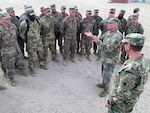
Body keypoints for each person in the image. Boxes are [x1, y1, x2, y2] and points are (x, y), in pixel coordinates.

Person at [105, 33, 150, 113]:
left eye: (125, 44)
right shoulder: (145, 61)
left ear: (128, 46)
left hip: (120, 106)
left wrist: (110, 102)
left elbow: (121, 93)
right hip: (131, 101)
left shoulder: (130, 70)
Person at [84, 18, 122, 97]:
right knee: (103, 72)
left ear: (115, 25)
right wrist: (92, 36)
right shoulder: (108, 32)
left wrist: (98, 42)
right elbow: (101, 39)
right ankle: (104, 84)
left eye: (110, 24)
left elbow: (108, 49)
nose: (107, 25)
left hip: (111, 59)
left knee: (107, 74)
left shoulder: (117, 36)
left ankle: (106, 89)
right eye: (108, 23)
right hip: (105, 57)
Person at [0, 12, 26, 86]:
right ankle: (11, 78)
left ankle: (21, 69)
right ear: (1, 19)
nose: (9, 20)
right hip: (6, 50)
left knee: (20, 59)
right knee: (9, 65)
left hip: (15, 46)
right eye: (6, 19)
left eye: (9, 19)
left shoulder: (13, 26)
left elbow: (16, 35)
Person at [19, 8, 47, 77]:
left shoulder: (37, 20)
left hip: (39, 42)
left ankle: (42, 64)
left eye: (33, 15)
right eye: (31, 15)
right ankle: (31, 69)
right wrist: (28, 40)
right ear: (28, 15)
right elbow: (21, 34)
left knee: (41, 53)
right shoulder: (25, 23)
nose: (32, 16)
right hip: (31, 44)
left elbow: (40, 29)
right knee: (32, 57)